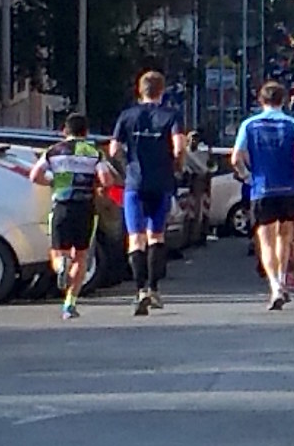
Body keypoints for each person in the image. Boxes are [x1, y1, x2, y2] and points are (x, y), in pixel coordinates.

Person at [108, 71, 189, 316]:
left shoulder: (127, 116)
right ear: (162, 90)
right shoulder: (171, 116)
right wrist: (177, 166)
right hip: (161, 182)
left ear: (139, 90)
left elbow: (113, 150)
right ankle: (154, 289)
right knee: (156, 235)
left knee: (135, 238)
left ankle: (140, 290)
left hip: (134, 183)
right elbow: (179, 147)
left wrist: (127, 167)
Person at [232, 82, 294, 312]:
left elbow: (235, 158)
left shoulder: (249, 125)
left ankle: (275, 285)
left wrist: (248, 177)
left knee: (265, 240)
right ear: (284, 100)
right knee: (285, 237)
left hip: (262, 188)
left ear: (261, 100)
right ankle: (282, 276)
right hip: (289, 188)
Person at [34, 115, 116, 320]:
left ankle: (61, 266)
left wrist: (54, 182)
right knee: (81, 255)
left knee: (57, 251)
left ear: (65, 131)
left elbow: (35, 175)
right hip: (85, 207)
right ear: (86, 132)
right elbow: (106, 179)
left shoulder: (53, 152)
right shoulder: (93, 153)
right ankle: (70, 303)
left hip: (61, 206)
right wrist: (99, 188)